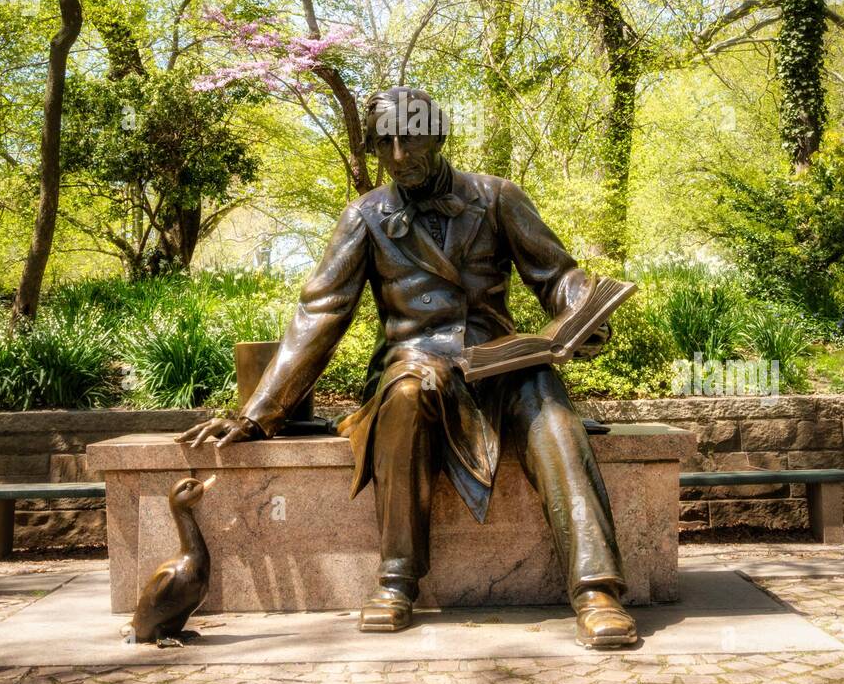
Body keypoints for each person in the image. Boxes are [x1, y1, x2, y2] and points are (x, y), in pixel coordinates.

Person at [179, 86, 636, 648]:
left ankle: (596, 591)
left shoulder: (497, 198)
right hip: (413, 362)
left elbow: (558, 275)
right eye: (385, 143)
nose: (398, 155)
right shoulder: (365, 216)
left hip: (499, 361)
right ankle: (397, 579)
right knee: (407, 391)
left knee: (549, 404)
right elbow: (320, 313)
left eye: (411, 137)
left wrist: (582, 313)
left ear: (438, 134)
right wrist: (256, 414)